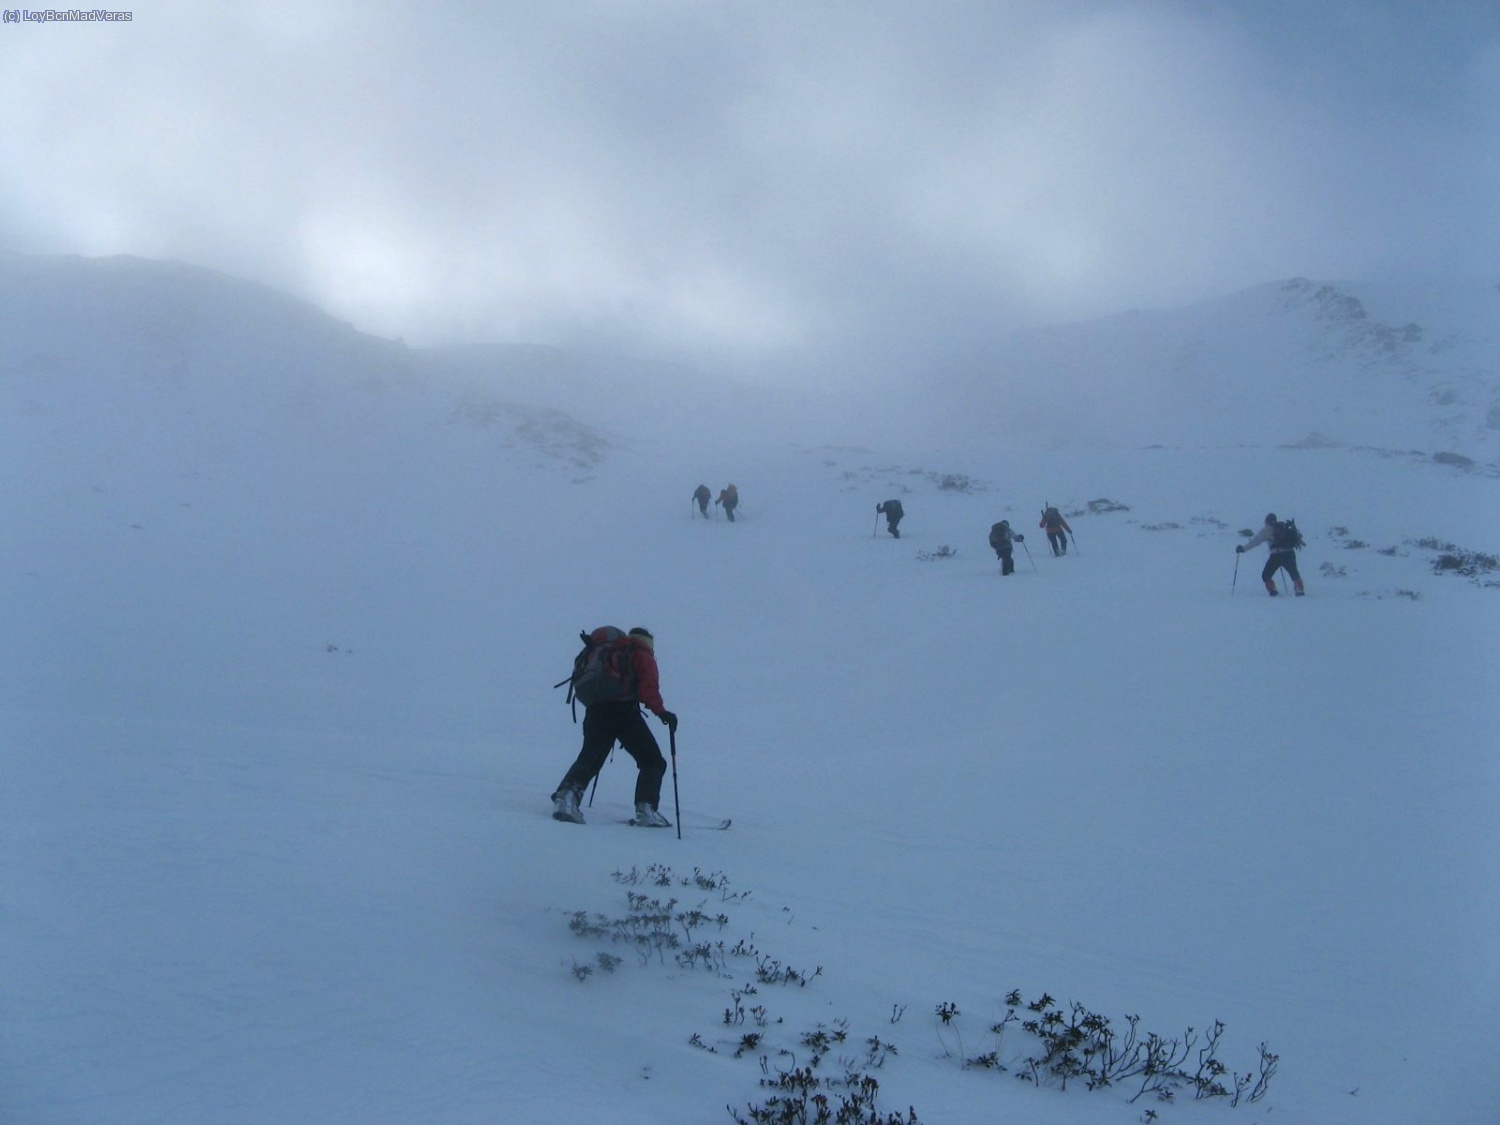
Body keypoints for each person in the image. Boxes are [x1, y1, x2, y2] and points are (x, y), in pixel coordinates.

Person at [552, 627, 679, 826]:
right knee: (652, 761)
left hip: (595, 710)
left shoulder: (605, 653)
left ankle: (566, 799)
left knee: (590, 757)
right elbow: (648, 689)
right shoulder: (641, 655)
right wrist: (662, 713)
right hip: (623, 711)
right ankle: (646, 809)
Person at [1237, 512, 1305, 596]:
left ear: (1266, 521)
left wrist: (1244, 549)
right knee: (1294, 572)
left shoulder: (1267, 529)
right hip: (1289, 553)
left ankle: (1272, 590)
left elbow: (1256, 540)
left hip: (1276, 555)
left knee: (1266, 575)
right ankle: (1299, 589)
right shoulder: (1284, 526)